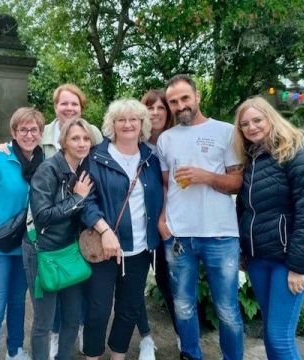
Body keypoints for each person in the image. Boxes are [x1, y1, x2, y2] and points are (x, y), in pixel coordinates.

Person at [157, 74, 244, 360]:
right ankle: (190, 354)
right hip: (179, 236)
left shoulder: (226, 131)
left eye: (184, 98)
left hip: (220, 234)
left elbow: (237, 183)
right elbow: (165, 186)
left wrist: (205, 176)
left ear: (197, 97)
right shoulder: (166, 139)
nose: (180, 106)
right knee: (182, 305)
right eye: (173, 102)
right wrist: (162, 221)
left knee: (227, 310)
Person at [234, 96, 304, 359]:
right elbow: (245, 209)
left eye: (257, 120)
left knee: (280, 336)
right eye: (245, 124)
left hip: (287, 261)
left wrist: (298, 267)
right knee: (270, 334)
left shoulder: (297, 154)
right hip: (259, 259)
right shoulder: (252, 159)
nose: (251, 127)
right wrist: (244, 251)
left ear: (270, 119)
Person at [81, 99, 163, 360]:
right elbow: (85, 201)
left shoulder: (151, 158)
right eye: (121, 120)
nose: (127, 124)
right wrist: (105, 231)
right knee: (98, 310)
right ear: (112, 125)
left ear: (142, 124)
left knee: (128, 309)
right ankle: (93, 355)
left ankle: (118, 355)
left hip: (139, 249)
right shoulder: (95, 156)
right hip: (105, 249)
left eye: (133, 120)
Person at [0, 108, 45, 360]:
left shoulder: (43, 162)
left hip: (26, 245)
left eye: (34, 129)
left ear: (41, 133)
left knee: (17, 303)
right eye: (22, 129)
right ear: (13, 132)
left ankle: (15, 351)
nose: (28, 134)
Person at [25, 118, 95, 360]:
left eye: (86, 138)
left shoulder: (83, 169)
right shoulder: (49, 169)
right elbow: (42, 216)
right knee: (44, 323)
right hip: (43, 252)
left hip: (69, 251)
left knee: (73, 318)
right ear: (63, 141)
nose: (82, 143)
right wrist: (77, 199)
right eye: (75, 138)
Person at [136, 90, 177, 359]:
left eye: (161, 107)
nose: (156, 112)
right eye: (150, 108)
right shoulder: (131, 143)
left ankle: (182, 333)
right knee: (134, 283)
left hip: (172, 226)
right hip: (139, 226)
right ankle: (146, 337)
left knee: (169, 281)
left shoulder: (176, 142)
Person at [42, 83, 102, 159]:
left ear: (81, 109)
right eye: (64, 104)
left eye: (74, 104)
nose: (69, 108)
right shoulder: (42, 133)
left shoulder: (93, 132)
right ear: (55, 107)